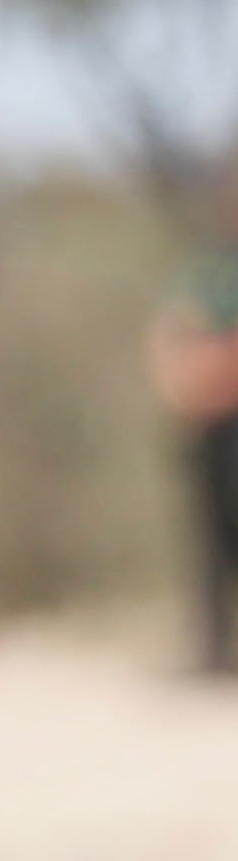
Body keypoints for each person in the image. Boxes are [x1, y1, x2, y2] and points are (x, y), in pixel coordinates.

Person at [151, 156, 238, 676]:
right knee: (209, 541)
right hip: (207, 426)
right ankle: (213, 652)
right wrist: (181, 391)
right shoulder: (211, 271)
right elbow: (171, 331)